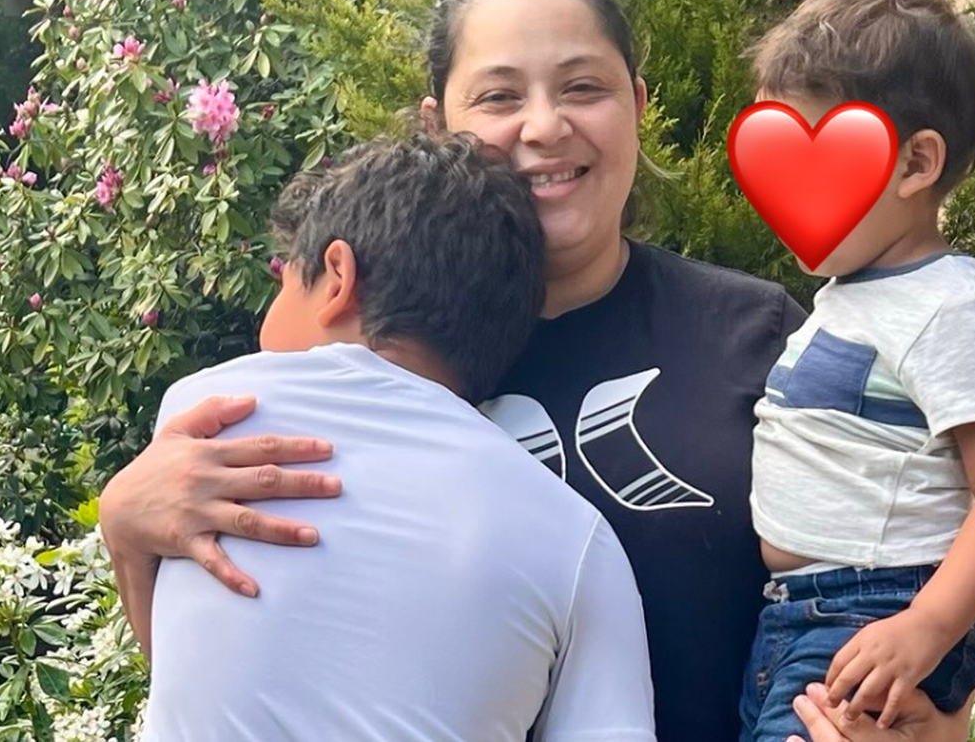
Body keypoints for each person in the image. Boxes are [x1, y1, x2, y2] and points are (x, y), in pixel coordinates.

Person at [99, 0, 971, 741]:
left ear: (637, 106)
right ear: (437, 126)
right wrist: (128, 526)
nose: (545, 126)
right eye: (499, 96)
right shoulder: (358, 370)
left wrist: (935, 731)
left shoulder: (769, 342)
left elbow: (899, 583)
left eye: (583, 87)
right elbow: (231, 669)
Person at [140, 133, 656, 742]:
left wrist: (124, 531)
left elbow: (182, 673)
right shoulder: (576, 540)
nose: (264, 325)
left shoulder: (205, 416)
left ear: (337, 277)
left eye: (284, 286)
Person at [739, 0, 975, 742]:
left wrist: (927, 625)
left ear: (914, 164)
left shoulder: (951, 305)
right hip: (803, 615)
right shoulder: (849, 298)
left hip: (877, 610)